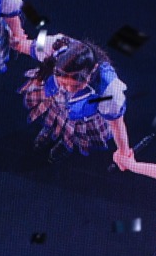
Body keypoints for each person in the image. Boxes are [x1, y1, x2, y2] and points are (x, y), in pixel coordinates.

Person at [19, 34, 133, 164]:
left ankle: (66, 142)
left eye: (76, 86)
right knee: (56, 115)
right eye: (63, 83)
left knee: (75, 128)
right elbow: (31, 43)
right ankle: (49, 129)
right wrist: (16, 40)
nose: (69, 89)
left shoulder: (110, 90)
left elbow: (117, 124)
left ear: (92, 71)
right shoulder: (52, 44)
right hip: (58, 98)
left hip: (87, 110)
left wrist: (124, 153)